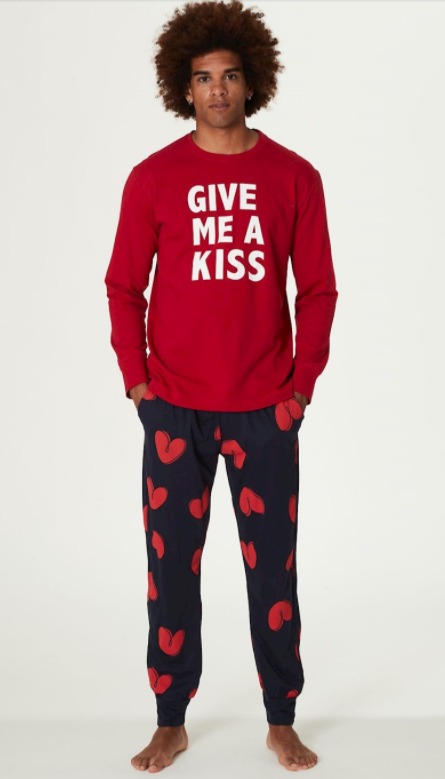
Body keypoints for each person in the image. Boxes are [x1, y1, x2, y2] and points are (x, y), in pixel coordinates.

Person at [104, 0, 338, 771]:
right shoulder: (153, 178)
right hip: (174, 409)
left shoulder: (293, 176)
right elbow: (123, 285)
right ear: (183, 86)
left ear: (251, 81)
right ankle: (170, 718)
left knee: (274, 572)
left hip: (265, 410)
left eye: (229, 75)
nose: (216, 89)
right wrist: (137, 383)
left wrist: (300, 388)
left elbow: (318, 289)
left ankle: (281, 718)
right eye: (203, 77)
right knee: (170, 570)